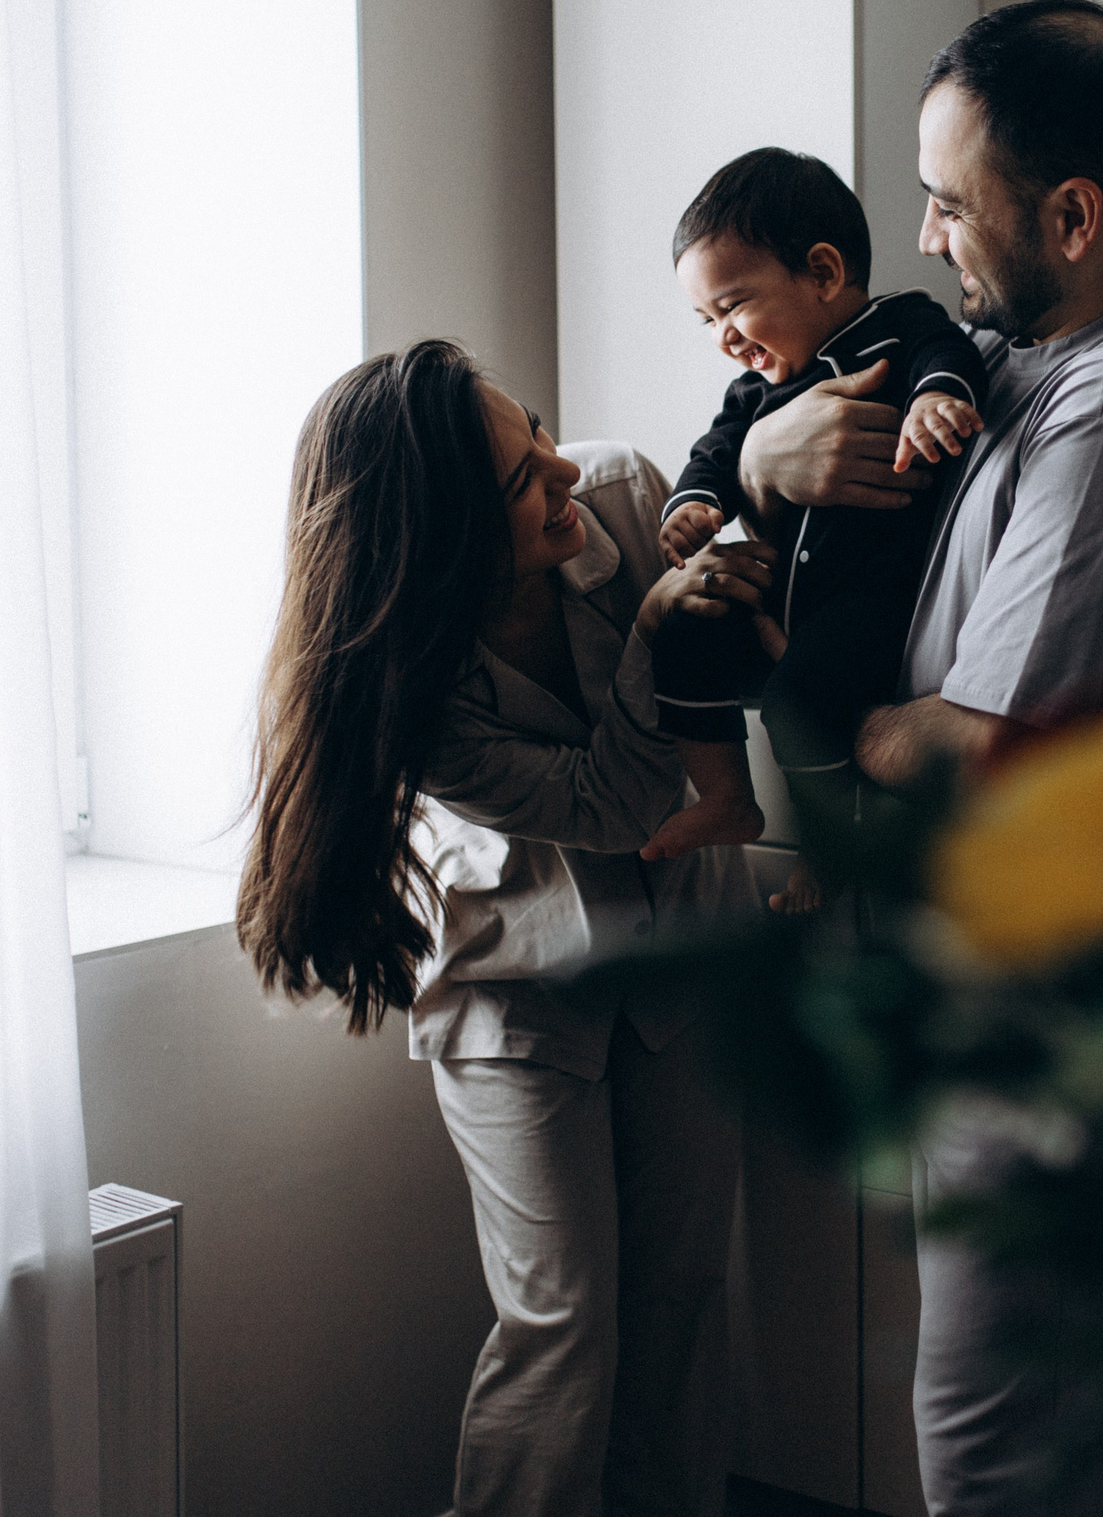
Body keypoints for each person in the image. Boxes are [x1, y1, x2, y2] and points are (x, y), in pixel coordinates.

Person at [734, 0, 1103, 1515]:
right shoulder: (1033, 351)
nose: (924, 234)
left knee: (996, 1460)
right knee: (1033, 1454)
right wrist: (763, 456)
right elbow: (817, 418)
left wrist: (861, 722)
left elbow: (977, 749)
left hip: (1059, 1030)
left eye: (951, 202)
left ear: (1074, 216)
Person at [236, 341, 768, 1517]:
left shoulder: (624, 493)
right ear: (444, 547)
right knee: (562, 1323)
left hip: (683, 950)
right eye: (525, 480)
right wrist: (653, 633)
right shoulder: (417, 697)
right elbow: (614, 805)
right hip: (516, 982)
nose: (563, 470)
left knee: (679, 1303)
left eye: (535, 429)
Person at [640, 146, 988, 870]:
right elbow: (714, 453)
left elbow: (948, 356)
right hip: (775, 594)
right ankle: (726, 796)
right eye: (705, 319)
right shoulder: (753, 393)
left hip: (866, 604)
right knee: (680, 630)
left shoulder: (901, 326)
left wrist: (935, 397)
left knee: (799, 704)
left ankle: (829, 856)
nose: (722, 336)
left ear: (824, 273)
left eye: (732, 306)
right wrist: (694, 503)